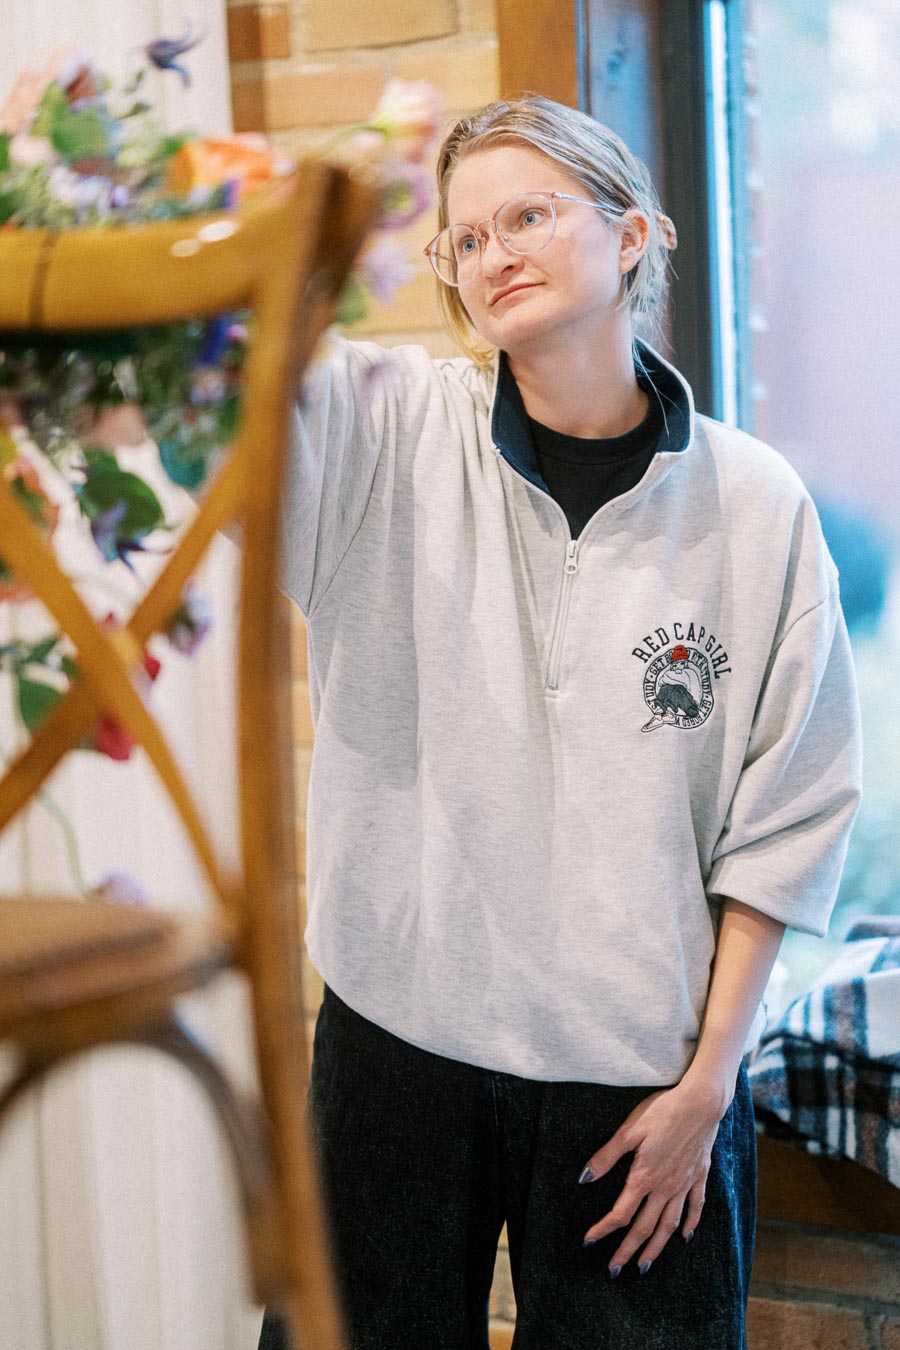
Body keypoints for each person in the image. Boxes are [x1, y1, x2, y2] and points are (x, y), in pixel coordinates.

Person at [259, 95, 861, 1350]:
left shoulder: (757, 508)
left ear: (633, 235)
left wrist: (709, 1086)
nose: (495, 255)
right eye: (465, 239)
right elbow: (248, 373)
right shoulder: (388, 430)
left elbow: (788, 815)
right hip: (395, 1045)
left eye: (527, 215)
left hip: (639, 1077)